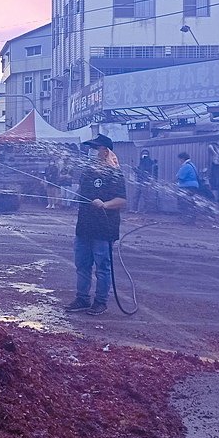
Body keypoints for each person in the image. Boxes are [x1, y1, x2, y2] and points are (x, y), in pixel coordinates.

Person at [65, 134, 127, 316]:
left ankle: (100, 301)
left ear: (105, 151)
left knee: (102, 266)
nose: (91, 153)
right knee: (82, 265)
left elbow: (122, 200)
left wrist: (105, 204)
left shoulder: (114, 173)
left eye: (95, 149)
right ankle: (82, 298)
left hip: (104, 228)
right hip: (84, 226)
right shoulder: (88, 172)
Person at [176, 152, 200, 225]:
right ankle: (190, 219)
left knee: (184, 204)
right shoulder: (192, 165)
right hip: (193, 187)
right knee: (190, 203)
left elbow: (179, 177)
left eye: (179, 159)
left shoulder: (186, 166)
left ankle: (187, 220)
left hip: (187, 187)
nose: (179, 161)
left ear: (182, 159)